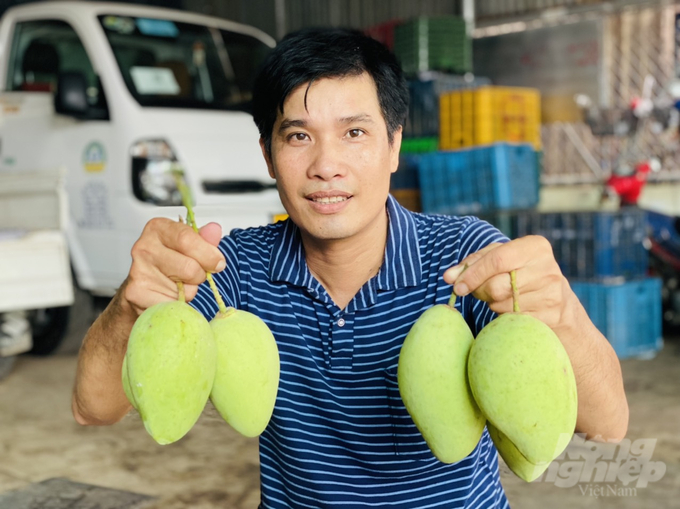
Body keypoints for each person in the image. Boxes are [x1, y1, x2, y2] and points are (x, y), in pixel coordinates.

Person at [72, 27, 629, 508]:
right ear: (268, 155)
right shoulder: (231, 270)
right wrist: (130, 305)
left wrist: (563, 316)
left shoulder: (467, 260)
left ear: (393, 146)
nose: (326, 166)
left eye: (354, 133)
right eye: (298, 136)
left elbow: (608, 425)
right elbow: (92, 408)